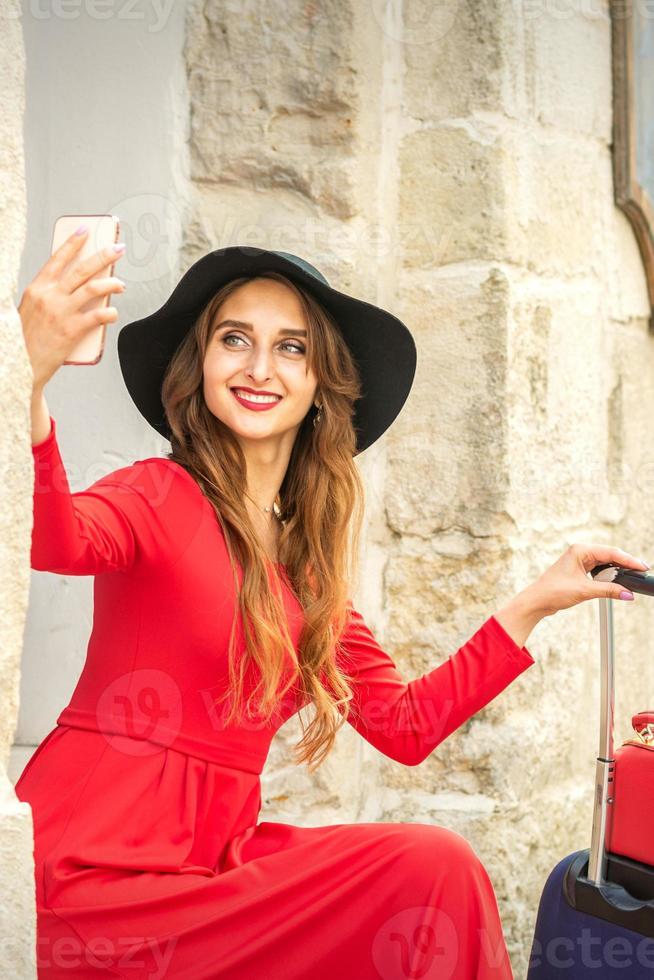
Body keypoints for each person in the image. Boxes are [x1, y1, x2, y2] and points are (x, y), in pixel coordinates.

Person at [16, 229, 648, 980]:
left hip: (210, 873)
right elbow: (53, 537)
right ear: (201, 364)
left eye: (291, 348)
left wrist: (535, 603)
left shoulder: (304, 576)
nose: (259, 367)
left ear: (321, 384)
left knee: (430, 865)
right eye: (235, 339)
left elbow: (404, 726)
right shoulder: (157, 493)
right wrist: (27, 377)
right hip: (91, 876)